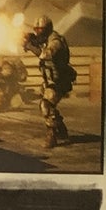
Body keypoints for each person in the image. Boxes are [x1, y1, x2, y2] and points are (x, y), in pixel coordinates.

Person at [23, 14, 76, 147]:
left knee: (45, 105)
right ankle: (62, 131)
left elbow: (46, 54)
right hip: (50, 80)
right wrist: (30, 39)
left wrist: (30, 46)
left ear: (47, 29)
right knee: (49, 107)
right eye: (36, 29)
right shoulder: (46, 39)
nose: (37, 32)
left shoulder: (56, 41)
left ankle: (51, 135)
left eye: (40, 29)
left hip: (60, 80)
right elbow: (39, 41)